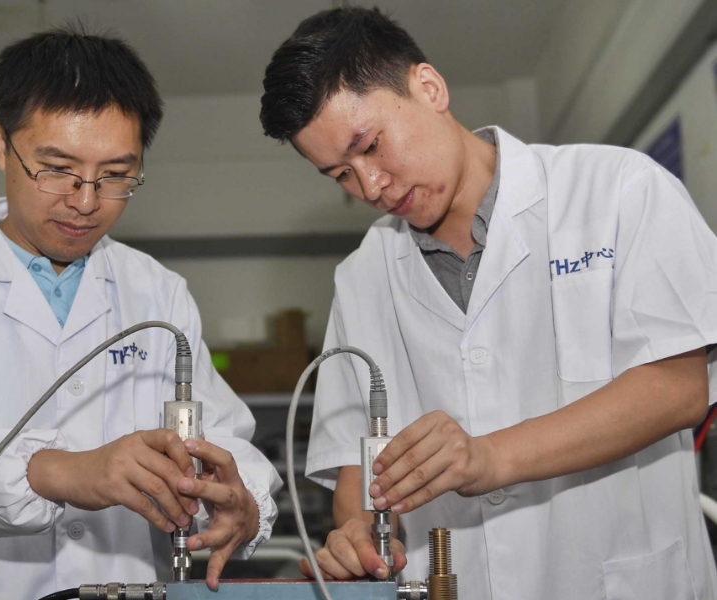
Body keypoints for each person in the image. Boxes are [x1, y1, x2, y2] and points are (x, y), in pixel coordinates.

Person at [260, 7, 717, 599]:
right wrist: (359, 534)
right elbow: (358, 468)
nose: (370, 187)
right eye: (342, 175)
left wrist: (490, 457)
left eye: (370, 146)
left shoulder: (618, 188)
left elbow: (678, 387)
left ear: (429, 87)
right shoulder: (362, 277)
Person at [0, 27, 280, 599]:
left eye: (115, 175)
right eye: (57, 168)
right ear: (1, 142)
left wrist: (242, 498)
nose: (86, 201)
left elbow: (217, 434)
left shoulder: (157, 291)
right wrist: (60, 471)